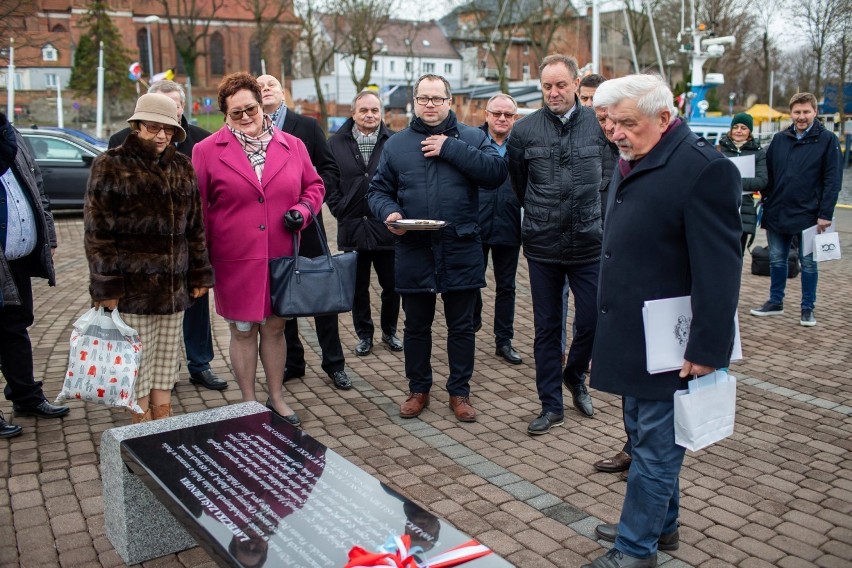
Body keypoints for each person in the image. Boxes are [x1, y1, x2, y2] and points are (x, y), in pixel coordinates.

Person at [585, 74, 742, 568]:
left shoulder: (703, 170)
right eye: (610, 122)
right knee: (641, 432)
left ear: (664, 117)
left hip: (673, 341)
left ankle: (635, 550)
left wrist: (707, 347)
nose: (617, 132)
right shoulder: (633, 157)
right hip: (633, 332)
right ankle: (661, 525)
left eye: (628, 122)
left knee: (655, 447)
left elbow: (720, 269)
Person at [368, 74, 507, 423]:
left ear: (450, 102)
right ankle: (419, 389)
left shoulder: (474, 137)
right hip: (414, 248)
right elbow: (377, 191)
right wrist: (391, 213)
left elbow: (496, 172)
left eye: (437, 98)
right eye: (424, 98)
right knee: (416, 326)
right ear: (414, 102)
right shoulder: (397, 144)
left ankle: (460, 392)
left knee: (462, 327)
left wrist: (450, 147)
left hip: (461, 247)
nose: (430, 104)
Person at [193, 72, 325, 425]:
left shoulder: (292, 145)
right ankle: (249, 401)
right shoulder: (206, 151)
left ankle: (277, 396)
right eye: (235, 113)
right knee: (243, 330)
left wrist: (302, 211)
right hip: (235, 259)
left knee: (276, 328)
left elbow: (314, 186)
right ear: (224, 114)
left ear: (260, 102)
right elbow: (199, 208)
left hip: (281, 254)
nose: (245, 117)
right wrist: (199, 262)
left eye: (249, 108)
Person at [85, 93, 215, 422]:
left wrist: (199, 274)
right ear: (137, 125)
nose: (161, 135)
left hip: (174, 289)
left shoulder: (182, 167)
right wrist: (107, 287)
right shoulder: (111, 164)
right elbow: (98, 232)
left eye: (169, 130)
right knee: (137, 366)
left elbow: (196, 228)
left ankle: (162, 425)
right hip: (132, 291)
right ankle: (141, 435)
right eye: (154, 127)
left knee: (165, 364)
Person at [507, 54, 607, 435]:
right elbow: (519, 184)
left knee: (593, 320)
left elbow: (609, 181)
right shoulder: (524, 131)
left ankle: (575, 374)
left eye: (561, 85)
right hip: (543, 244)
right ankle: (551, 405)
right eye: (547, 86)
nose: (553, 93)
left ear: (577, 84)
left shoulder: (599, 127)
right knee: (547, 328)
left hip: (589, 242)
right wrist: (541, 215)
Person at [108, 80, 226, 391]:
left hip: (187, 248)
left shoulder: (201, 141)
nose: (164, 123)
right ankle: (161, 371)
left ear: (182, 107)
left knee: (196, 311)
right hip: (143, 259)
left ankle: (200, 364)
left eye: (172, 108)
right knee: (152, 319)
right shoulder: (119, 144)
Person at [256, 74, 351, 389]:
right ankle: (293, 362)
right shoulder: (250, 131)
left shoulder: (306, 127)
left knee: (322, 294)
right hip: (272, 232)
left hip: (307, 227)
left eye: (271, 84)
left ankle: (334, 364)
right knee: (284, 297)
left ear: (283, 93)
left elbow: (329, 169)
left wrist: (308, 203)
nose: (265, 89)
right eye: (259, 86)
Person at [0, 111, 69, 438]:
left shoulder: (10, 133)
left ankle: (26, 396)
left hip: (16, 259)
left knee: (16, 326)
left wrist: (48, 236)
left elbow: (35, 184)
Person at [749, 92, 842, 327]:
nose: (801, 117)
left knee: (809, 263)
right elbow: (766, 173)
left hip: (810, 213)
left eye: (806, 112)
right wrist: (764, 197)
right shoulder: (780, 139)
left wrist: (825, 213)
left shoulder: (827, 140)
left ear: (815, 112)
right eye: (797, 112)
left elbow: (833, 179)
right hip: (778, 210)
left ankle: (807, 307)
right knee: (777, 260)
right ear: (791, 113)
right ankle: (775, 301)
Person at [327, 90, 402, 357]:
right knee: (357, 288)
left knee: (392, 286)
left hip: (387, 228)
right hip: (353, 227)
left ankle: (390, 331)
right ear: (353, 113)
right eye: (364, 110)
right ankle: (364, 334)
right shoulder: (335, 143)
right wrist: (339, 208)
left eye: (374, 110)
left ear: (381, 113)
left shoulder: (394, 141)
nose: (369, 115)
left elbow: (401, 181)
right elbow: (329, 181)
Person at [590, 90, 633, 478]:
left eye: (614, 120)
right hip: (606, 259)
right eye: (602, 119)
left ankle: (638, 449)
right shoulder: (609, 148)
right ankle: (632, 444)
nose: (609, 128)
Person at [472, 94, 523, 365]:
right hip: (476, 224)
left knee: (507, 287)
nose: (502, 119)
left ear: (515, 118)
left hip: (510, 223)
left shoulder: (522, 145)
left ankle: (504, 340)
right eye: (497, 113)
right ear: (487, 114)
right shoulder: (471, 140)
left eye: (508, 115)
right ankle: (472, 320)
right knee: (472, 280)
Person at [716, 112, 768, 254]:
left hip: (744, 209)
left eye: (743, 128)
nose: (739, 131)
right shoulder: (718, 150)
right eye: (736, 127)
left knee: (737, 254)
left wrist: (732, 180)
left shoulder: (758, 153)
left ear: (749, 131)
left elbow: (761, 181)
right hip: (720, 208)